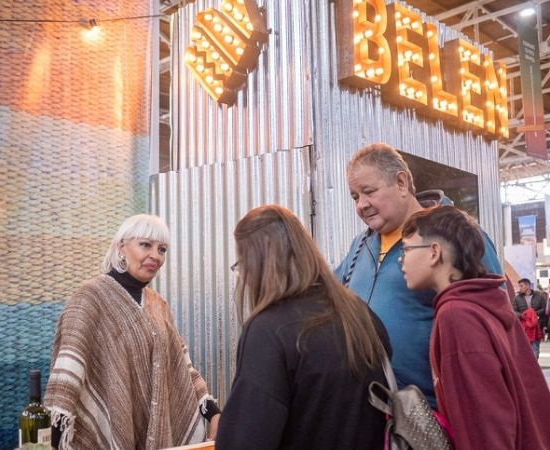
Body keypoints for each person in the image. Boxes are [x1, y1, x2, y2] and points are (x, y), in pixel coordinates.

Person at [333, 142, 502, 406]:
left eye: (369, 192)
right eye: (355, 197)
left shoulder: (457, 236)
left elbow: (495, 321)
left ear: (401, 183)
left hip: (432, 413)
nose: (361, 205)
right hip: (371, 406)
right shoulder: (361, 245)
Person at [216, 205, 391, 449]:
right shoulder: (360, 314)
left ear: (258, 263)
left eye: (242, 264)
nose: (244, 276)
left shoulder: (269, 330)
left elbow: (246, 438)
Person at [43, 214, 220, 450]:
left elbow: (183, 366)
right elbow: (68, 371)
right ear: (121, 247)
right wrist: (54, 441)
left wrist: (213, 412)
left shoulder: (158, 304)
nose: (155, 256)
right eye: (145, 245)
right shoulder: (90, 297)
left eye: (162, 249)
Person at [399, 205, 550, 450]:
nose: (401, 260)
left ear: (434, 252)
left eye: (406, 249)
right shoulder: (486, 303)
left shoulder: (457, 315)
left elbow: (485, 428)